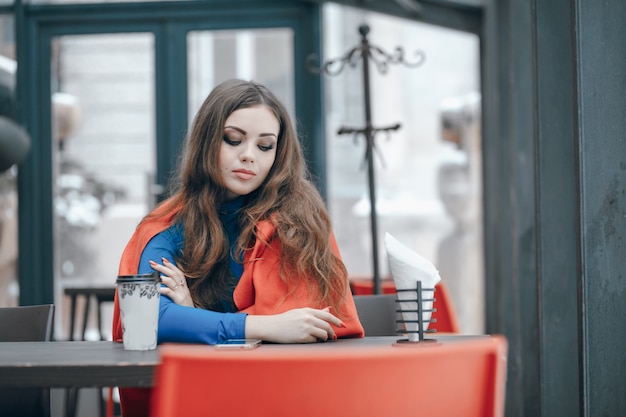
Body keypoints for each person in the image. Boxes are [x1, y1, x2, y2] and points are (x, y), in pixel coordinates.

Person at [112, 79, 364, 417]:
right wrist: (265, 326)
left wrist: (196, 318)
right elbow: (149, 320)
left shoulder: (301, 221)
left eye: (265, 146)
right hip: (202, 398)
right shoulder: (168, 227)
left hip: (287, 397)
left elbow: (311, 324)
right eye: (233, 140)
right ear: (206, 141)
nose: (248, 155)